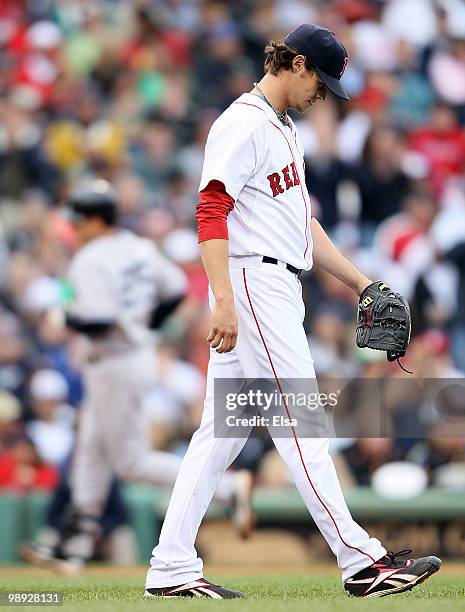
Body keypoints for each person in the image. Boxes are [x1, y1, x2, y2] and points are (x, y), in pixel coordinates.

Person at [144, 25, 441, 599]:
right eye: (320, 82)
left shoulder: (283, 128)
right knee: (300, 420)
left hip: (274, 278)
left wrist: (359, 281)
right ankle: (361, 560)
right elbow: (210, 208)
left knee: (220, 434)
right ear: (296, 63)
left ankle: (170, 565)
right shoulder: (243, 122)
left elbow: (299, 224)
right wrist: (224, 297)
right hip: (252, 281)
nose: (322, 95)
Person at [21, 179, 253, 574]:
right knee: (90, 452)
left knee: (129, 462)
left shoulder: (90, 257)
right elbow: (176, 289)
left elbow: (98, 318)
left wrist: (67, 316)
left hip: (113, 363)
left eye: (79, 221)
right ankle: (74, 546)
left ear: (96, 219)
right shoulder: (138, 247)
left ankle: (228, 489)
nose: (74, 229)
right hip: (133, 358)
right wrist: (145, 325)